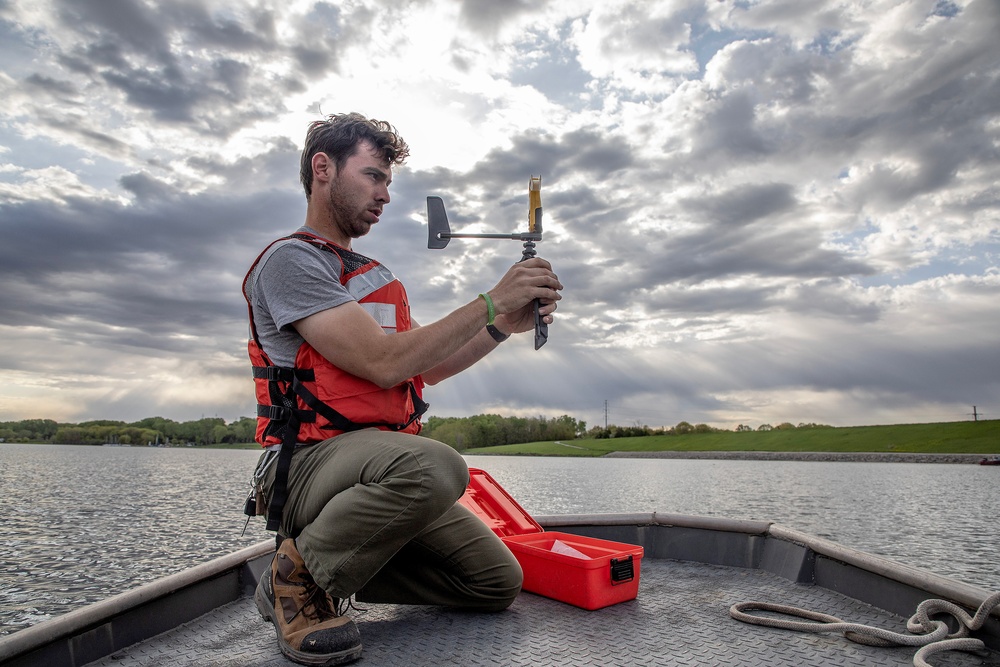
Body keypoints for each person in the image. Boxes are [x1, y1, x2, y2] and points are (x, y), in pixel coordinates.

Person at [242, 112, 563, 666]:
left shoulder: (367, 274)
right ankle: (294, 582)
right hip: (306, 468)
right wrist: (491, 297)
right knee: (438, 466)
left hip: (379, 470)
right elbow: (382, 363)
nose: (385, 194)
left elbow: (427, 367)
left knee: (494, 583)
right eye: (373, 176)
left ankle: (337, 569)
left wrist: (501, 325)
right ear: (323, 169)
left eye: (388, 181)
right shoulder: (290, 261)